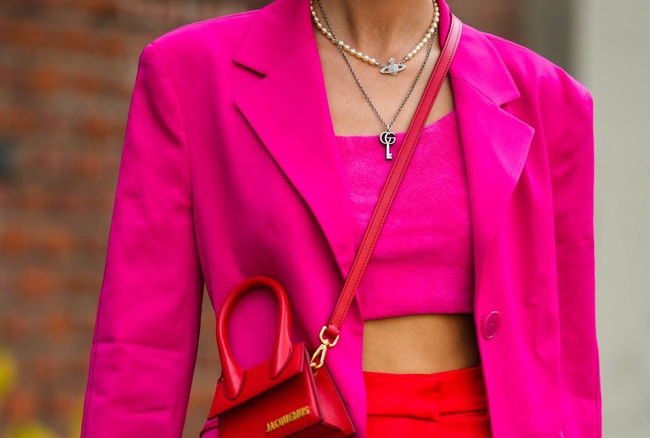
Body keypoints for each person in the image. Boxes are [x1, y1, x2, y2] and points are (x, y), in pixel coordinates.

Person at [81, 0, 600, 436]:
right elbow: (139, 356)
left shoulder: (550, 102)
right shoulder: (190, 76)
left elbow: (569, 370)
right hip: (300, 426)